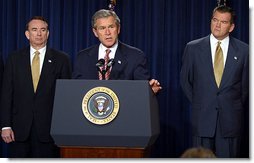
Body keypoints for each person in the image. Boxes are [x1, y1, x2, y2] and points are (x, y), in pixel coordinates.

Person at [180, 5, 248, 158]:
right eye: (215, 20)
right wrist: (202, 102)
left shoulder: (245, 51)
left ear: (231, 27)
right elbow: (186, 82)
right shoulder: (193, 48)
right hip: (203, 118)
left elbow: (245, 88)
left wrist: (228, 104)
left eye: (223, 22)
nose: (217, 25)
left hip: (230, 121)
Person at [0, 16, 72, 158]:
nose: (38, 33)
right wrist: (5, 125)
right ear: (27, 34)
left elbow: (66, 98)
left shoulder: (62, 59)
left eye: (42, 30)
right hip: (19, 130)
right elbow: (6, 94)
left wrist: (64, 128)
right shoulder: (14, 59)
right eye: (34, 30)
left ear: (48, 33)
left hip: (49, 131)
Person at [72, 9, 162, 94]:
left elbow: (142, 90)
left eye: (111, 27)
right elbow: (75, 90)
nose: (107, 32)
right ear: (95, 32)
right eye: (102, 28)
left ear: (118, 29)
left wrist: (149, 91)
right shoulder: (82, 57)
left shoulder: (135, 56)